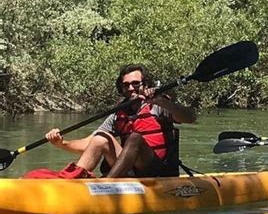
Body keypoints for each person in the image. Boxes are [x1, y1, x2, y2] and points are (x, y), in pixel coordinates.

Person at [44, 64, 196, 179]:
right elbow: (90, 144)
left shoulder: (158, 106)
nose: (130, 88)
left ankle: (107, 185)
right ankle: (74, 180)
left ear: (146, 85)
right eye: (126, 85)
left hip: (157, 170)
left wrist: (161, 101)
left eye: (136, 83)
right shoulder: (117, 114)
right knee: (101, 138)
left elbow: (190, 117)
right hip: (130, 170)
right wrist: (61, 143)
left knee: (135, 138)